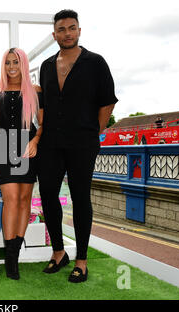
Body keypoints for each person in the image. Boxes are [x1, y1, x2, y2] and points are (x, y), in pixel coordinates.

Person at [38, 9, 118, 283]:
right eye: (62, 29)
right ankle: (58, 252)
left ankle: (81, 259)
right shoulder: (47, 66)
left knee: (80, 197)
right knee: (48, 194)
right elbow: (44, 106)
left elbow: (107, 101)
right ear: (54, 35)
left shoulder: (95, 62)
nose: (67, 33)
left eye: (72, 28)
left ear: (79, 31)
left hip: (82, 141)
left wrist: (94, 132)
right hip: (50, 142)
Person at [0, 47, 43, 280]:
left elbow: (43, 123)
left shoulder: (35, 91)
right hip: (1, 148)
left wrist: (36, 140)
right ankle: (10, 258)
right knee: (11, 199)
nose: (11, 67)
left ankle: (14, 254)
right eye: (7, 63)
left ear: (23, 64)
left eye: (15, 62)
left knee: (24, 200)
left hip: (27, 148)